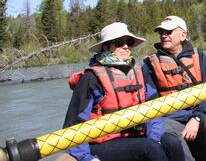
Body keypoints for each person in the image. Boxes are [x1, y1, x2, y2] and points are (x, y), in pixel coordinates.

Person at [64, 22, 183, 161]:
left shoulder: (140, 73)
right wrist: (86, 157)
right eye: (119, 43)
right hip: (102, 143)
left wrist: (155, 138)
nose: (126, 46)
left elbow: (154, 110)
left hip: (137, 136)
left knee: (172, 143)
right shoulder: (91, 77)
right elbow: (75, 122)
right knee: (149, 148)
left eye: (129, 42)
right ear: (106, 46)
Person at [143, 15, 206, 161]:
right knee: (166, 130)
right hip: (170, 118)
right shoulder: (150, 65)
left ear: (183, 35)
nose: (164, 35)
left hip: (200, 112)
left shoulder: (199, 57)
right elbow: (149, 100)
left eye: (168, 32)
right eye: (161, 32)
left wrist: (197, 117)